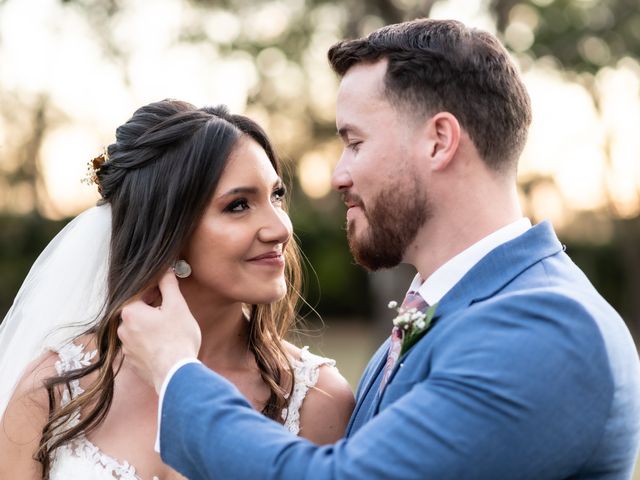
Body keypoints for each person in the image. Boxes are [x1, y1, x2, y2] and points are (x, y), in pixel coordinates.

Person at [118, 19, 640, 479]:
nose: (338, 175)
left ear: (439, 141)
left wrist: (175, 370)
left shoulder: (546, 328)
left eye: (355, 142)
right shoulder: (449, 307)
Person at [0, 100, 355, 479]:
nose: (281, 228)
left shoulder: (316, 400)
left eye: (276, 196)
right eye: (238, 205)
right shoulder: (55, 389)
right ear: (166, 231)